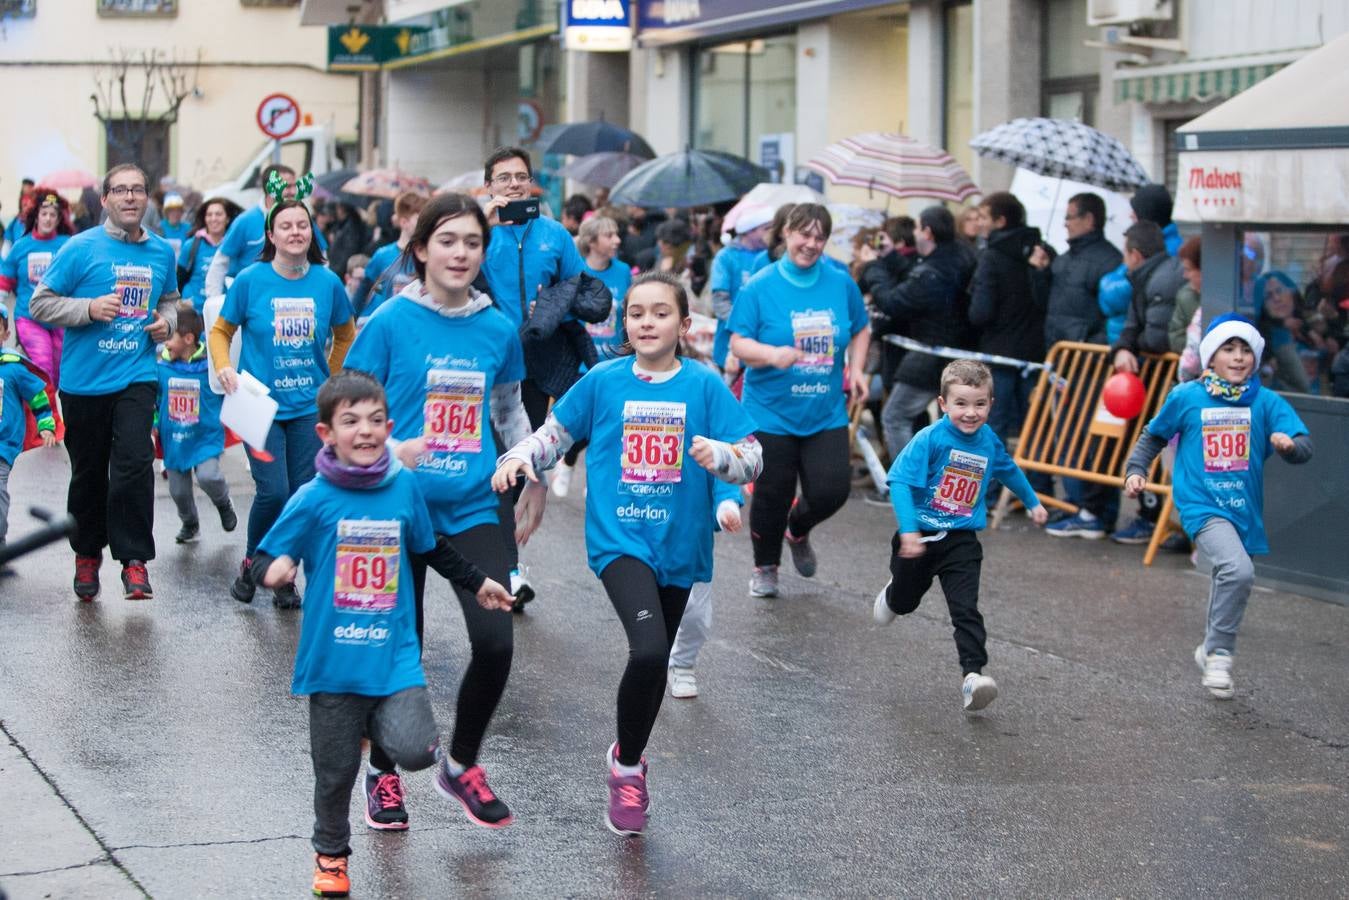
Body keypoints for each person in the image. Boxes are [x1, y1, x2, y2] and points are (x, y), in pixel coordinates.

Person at [493, 270, 761, 837]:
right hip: (620, 541)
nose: (646, 321)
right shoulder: (605, 380)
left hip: (682, 546)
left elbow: (751, 455)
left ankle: (627, 756)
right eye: (636, 312)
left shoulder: (705, 386)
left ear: (684, 325)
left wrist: (725, 464)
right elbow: (556, 433)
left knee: (655, 661)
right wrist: (521, 456)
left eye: (660, 312)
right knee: (647, 651)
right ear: (624, 323)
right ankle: (628, 772)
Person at [248, 370, 513, 898]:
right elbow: (261, 558)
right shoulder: (312, 498)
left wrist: (479, 582)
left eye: (374, 420)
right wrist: (270, 572)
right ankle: (331, 854)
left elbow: (429, 545)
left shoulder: (403, 486)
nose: (364, 431)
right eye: (350, 421)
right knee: (335, 773)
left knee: (416, 750)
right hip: (333, 662)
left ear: (389, 427)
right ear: (326, 434)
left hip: (393, 658)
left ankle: (375, 727)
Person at [344, 191, 537, 832]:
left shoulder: (496, 328)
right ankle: (384, 777)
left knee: (495, 641)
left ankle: (461, 764)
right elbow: (344, 408)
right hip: (392, 510)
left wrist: (532, 473)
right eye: (447, 241)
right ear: (422, 248)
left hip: (475, 505)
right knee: (403, 650)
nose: (460, 253)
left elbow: (509, 411)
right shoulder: (390, 322)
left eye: (472, 243)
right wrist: (389, 446)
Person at [1124, 315, 1312, 699]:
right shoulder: (1187, 396)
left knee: (1229, 579)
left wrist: (1290, 446)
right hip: (1201, 504)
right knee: (1238, 572)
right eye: (1229, 348)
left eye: (1245, 350)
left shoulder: (1265, 401)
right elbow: (1153, 436)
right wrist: (1135, 470)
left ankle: (1208, 648)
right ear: (1211, 357)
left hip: (1244, 509)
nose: (1238, 357)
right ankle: (1221, 653)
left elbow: (1304, 445)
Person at [29, 163, 178, 601]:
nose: (130, 197)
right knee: (90, 474)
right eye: (121, 190)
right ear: (106, 199)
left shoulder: (161, 253)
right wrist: (89, 309)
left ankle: (134, 562)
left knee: (134, 463)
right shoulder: (80, 248)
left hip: (137, 374)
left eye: (138, 190)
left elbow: (169, 300)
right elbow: (41, 304)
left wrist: (166, 326)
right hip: (84, 382)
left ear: (146, 199)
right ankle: (87, 555)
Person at [873, 360, 1048, 710]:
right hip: (920, 536)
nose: (971, 413)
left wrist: (1033, 502)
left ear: (991, 404)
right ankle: (894, 595)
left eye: (980, 404)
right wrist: (908, 532)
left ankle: (973, 676)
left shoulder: (988, 441)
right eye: (961, 404)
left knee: (965, 608)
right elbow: (900, 483)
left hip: (962, 540)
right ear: (943, 403)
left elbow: (1007, 469)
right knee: (906, 603)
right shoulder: (930, 439)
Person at [211, 190, 356, 609]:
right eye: (286, 226)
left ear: (311, 233)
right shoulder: (251, 281)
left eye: (302, 225)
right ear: (271, 235)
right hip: (261, 408)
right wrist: (224, 366)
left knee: (301, 495)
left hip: (310, 408)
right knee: (273, 492)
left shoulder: (327, 283)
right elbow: (221, 331)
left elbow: (345, 334)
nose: (295, 232)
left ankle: (284, 575)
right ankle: (254, 562)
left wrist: (332, 377)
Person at [729, 203, 870, 598]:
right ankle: (765, 567)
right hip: (770, 411)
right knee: (772, 494)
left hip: (824, 410)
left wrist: (857, 369)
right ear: (787, 233)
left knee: (832, 490)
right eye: (803, 234)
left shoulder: (840, 282)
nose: (811, 243)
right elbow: (738, 342)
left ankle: (798, 528)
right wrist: (772, 355)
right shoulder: (760, 285)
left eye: (819, 236)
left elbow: (860, 328)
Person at [479, 146, 586, 604]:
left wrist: (550, 308)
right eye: (503, 178)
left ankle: (508, 562)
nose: (514, 185)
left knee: (523, 467)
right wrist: (482, 225)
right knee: (505, 467)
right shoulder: (478, 236)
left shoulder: (555, 234)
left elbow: (578, 290)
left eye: (520, 177)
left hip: (541, 365)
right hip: (493, 365)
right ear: (489, 187)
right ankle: (509, 572)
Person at [1031, 192, 1123, 539]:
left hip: (1090, 363)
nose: (1065, 223)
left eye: (1071, 216)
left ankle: (1095, 511)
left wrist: (1090, 345)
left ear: (1089, 219)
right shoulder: (1064, 259)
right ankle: (1078, 505)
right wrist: (1041, 272)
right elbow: (1049, 305)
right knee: (1067, 436)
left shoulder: (1108, 261)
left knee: (1090, 439)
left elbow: (1112, 317)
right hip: (1063, 362)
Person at [860, 205, 978, 460]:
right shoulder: (955, 257)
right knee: (948, 427)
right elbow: (916, 277)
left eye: (917, 227)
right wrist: (890, 255)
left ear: (927, 232)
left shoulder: (933, 272)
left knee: (895, 417)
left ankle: (910, 485)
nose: (914, 232)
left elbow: (893, 301)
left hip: (932, 353)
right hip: (951, 353)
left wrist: (872, 267)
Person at [1107, 220, 1185, 546]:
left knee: (1163, 451)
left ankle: (1158, 519)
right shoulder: (1143, 277)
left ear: (1135, 255)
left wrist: (1134, 345)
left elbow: (1156, 337)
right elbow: (1133, 324)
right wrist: (1124, 347)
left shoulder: (1162, 280)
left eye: (1125, 254)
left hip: (1164, 382)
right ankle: (1152, 515)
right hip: (1147, 382)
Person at [967, 192, 1049, 482]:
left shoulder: (992, 256)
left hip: (999, 351)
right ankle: (1039, 488)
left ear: (1000, 221)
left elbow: (981, 312)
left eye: (985, 218)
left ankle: (989, 492)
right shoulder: (1041, 251)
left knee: (994, 426)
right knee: (1035, 425)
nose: (981, 224)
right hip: (1035, 352)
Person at [552, 215, 633, 499]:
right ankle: (569, 461)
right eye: (609, 235)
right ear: (592, 241)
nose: (617, 240)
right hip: (580, 362)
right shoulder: (577, 271)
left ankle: (594, 479)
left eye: (617, 234)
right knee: (581, 424)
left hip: (613, 361)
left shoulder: (623, 271)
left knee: (608, 425)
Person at [155, 304, 237, 545]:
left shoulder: (210, 368)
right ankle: (190, 522)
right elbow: (151, 400)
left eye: (171, 337)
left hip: (205, 437)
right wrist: (152, 425)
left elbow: (229, 389)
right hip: (175, 440)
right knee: (178, 491)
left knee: (208, 476)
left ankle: (223, 503)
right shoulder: (161, 368)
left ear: (189, 338)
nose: (165, 343)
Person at [666, 480, 744, 699]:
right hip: (646, 538)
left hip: (693, 544)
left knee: (696, 616)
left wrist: (726, 507)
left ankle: (681, 664)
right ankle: (649, 662)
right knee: (651, 616)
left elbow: (724, 471)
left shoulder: (704, 444)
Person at [203, 164, 328, 297]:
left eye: (294, 186)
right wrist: (214, 301)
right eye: (287, 186)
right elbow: (220, 263)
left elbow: (322, 259)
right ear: (271, 188)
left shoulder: (302, 218)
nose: (293, 191)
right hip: (252, 300)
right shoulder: (246, 221)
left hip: (291, 300)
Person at [0, 305, 58, 565]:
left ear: (6, 334)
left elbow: (37, 396)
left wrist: (46, 424)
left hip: (2, 446)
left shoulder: (12, 368)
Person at [0, 189, 73, 387]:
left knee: (58, 373)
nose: (48, 219)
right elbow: (5, 281)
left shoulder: (68, 246)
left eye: (53, 215)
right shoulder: (21, 246)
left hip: (59, 318)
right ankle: (45, 416)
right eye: (44, 214)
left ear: (59, 219)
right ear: (36, 216)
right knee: (43, 365)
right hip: (29, 317)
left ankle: (36, 409)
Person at [1099, 183, 1182, 347]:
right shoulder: (1144, 244)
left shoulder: (1170, 252)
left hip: (1141, 347)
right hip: (1126, 341)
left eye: (1135, 212)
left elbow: (1115, 296)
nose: (1131, 216)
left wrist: (1106, 287)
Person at [708, 205, 772, 378]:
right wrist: (744, 325)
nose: (771, 233)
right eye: (766, 228)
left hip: (764, 340)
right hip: (730, 341)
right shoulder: (726, 257)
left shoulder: (770, 257)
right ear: (749, 231)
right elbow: (720, 300)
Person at [354, 191, 426, 321]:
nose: (425, 224)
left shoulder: (427, 257)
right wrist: (353, 319)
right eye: (420, 219)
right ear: (404, 222)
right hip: (381, 323)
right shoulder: (383, 255)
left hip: (410, 323)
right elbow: (364, 289)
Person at [178, 196, 243, 312]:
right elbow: (179, 280)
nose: (213, 218)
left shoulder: (235, 246)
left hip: (222, 312)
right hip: (194, 313)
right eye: (209, 215)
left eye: (218, 214)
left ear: (227, 219)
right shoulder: (191, 245)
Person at [1, 178, 35, 254]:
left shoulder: (35, 197)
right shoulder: (15, 223)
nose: (27, 188)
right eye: (25, 186)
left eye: (29, 186)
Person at [155, 192, 191, 260]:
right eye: (172, 211)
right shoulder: (160, 227)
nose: (176, 214)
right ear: (167, 212)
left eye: (178, 211)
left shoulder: (187, 228)